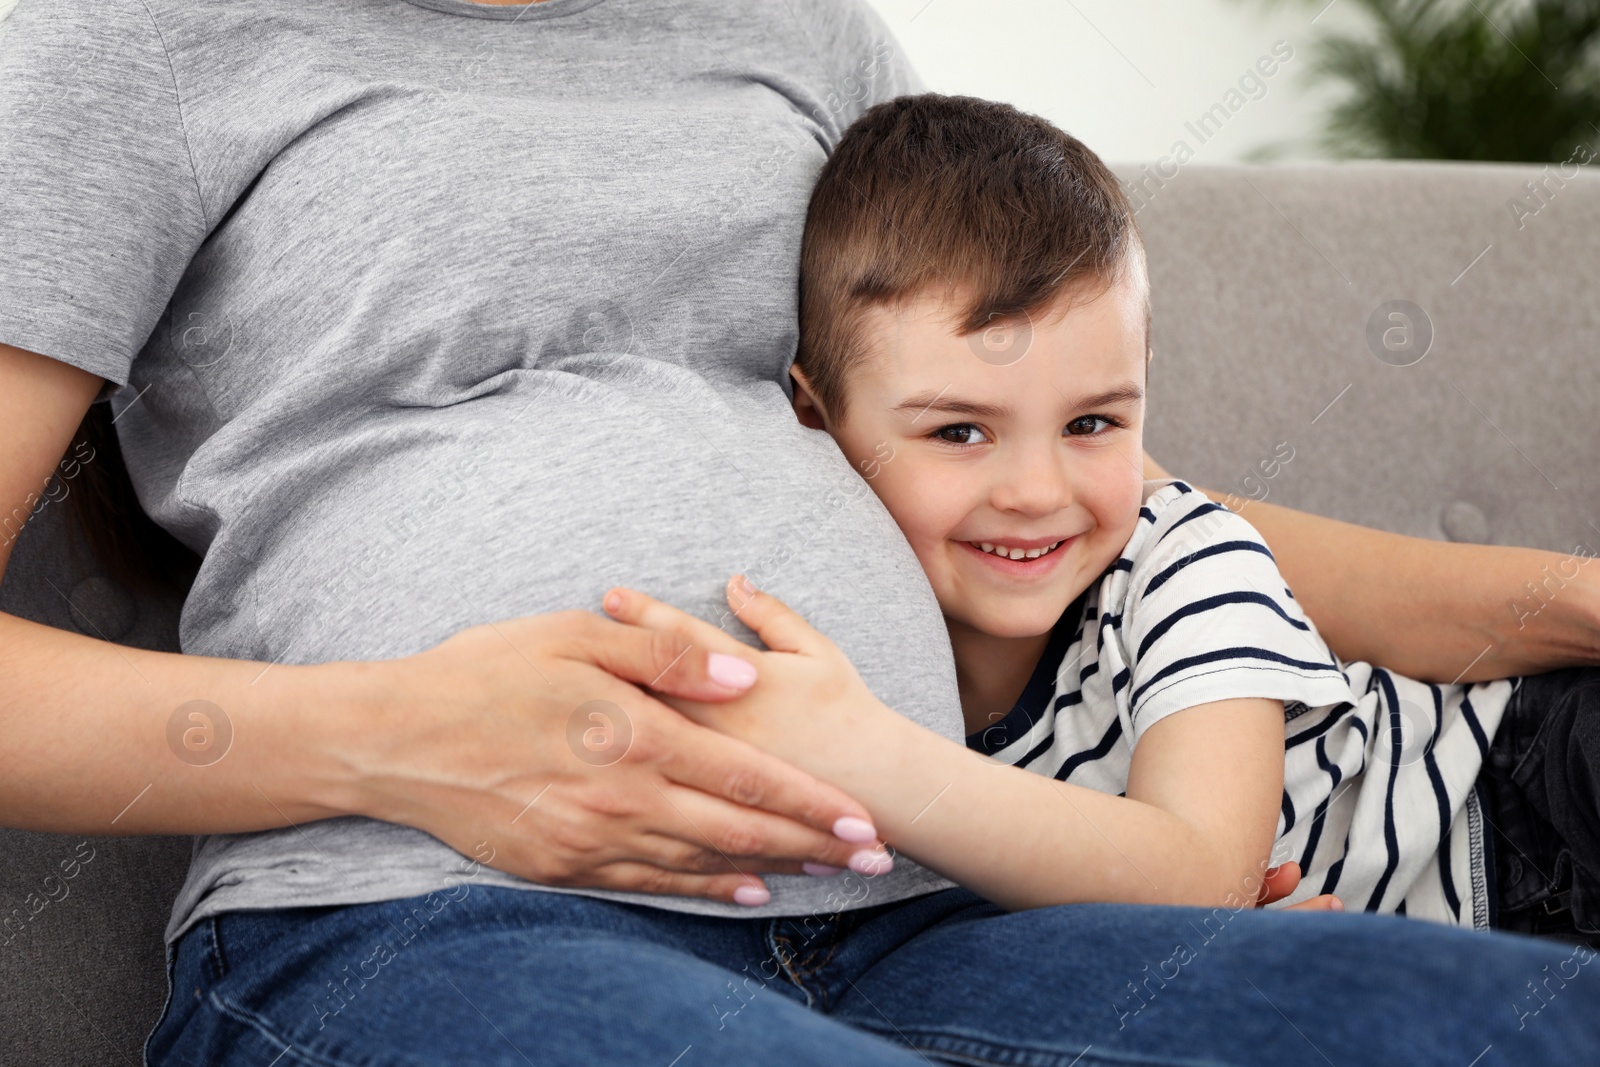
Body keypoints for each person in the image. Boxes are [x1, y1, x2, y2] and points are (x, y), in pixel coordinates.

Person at [1, 0, 1597, 1063]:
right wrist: (394, 739)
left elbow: (1078, 475)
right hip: (419, 908)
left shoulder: (800, 33)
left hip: (929, 915)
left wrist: (1566, 597)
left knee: (1531, 1019)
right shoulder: (139, 41)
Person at [604, 93, 1600, 946]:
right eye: (959, 430)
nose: (1038, 490)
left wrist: (862, 749)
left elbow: (1201, 873)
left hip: (1530, 795)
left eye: (1091, 422)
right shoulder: (849, 636)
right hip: (1474, 934)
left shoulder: (1182, 563)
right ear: (814, 416)